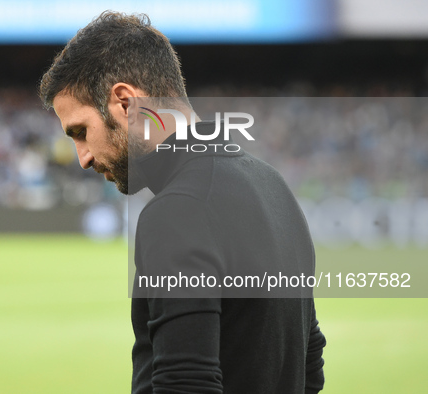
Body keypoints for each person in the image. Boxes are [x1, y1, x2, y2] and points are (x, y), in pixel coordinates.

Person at [39, 11, 326, 394]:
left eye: (80, 132)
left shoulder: (178, 211)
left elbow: (186, 385)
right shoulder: (273, 186)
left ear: (124, 103)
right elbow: (310, 367)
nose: (83, 157)